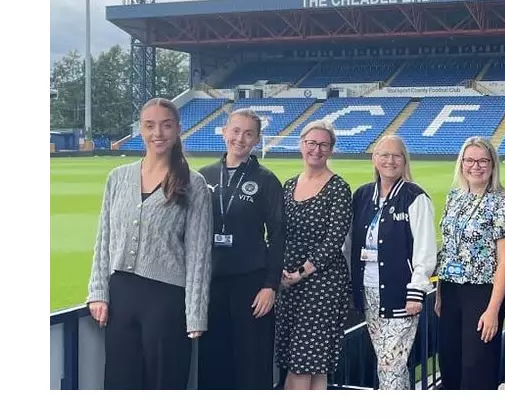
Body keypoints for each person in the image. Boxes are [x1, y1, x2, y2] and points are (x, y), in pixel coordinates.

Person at [86, 97, 213, 389]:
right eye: (150, 126)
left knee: (165, 382)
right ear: (141, 130)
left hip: (166, 300)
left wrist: (195, 315)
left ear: (178, 129)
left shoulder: (193, 185)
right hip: (121, 297)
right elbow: (104, 237)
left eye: (166, 126)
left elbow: (199, 255)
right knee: (120, 381)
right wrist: (98, 291)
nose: (158, 133)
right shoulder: (117, 178)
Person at [197, 108, 286, 390]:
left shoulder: (266, 179)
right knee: (213, 363)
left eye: (248, 133)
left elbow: (278, 236)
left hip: (251, 286)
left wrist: (270, 286)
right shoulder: (202, 176)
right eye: (235, 131)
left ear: (257, 140)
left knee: (252, 364)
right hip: (212, 285)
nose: (240, 138)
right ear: (224, 132)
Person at [344, 135, 437, 390]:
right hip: (369, 293)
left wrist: (416, 291)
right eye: (384, 155)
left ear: (404, 160)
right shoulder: (362, 195)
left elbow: (425, 250)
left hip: (400, 295)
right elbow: (349, 244)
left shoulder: (414, 196)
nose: (390, 160)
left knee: (391, 365)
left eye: (396, 155)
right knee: (386, 365)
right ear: (374, 159)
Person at [275, 119, 353, 390]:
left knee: (303, 364)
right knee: (313, 369)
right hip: (289, 286)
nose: (316, 150)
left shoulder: (338, 188)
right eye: (311, 143)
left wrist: (300, 273)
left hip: (323, 287)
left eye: (323, 144)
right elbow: (279, 233)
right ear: (301, 145)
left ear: (331, 149)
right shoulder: (287, 186)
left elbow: (334, 241)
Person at [434, 136, 505, 390]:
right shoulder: (454, 197)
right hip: (450, 290)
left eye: (482, 160)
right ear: (461, 163)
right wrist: (439, 294)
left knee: (476, 367)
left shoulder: (503, 201)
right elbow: (448, 248)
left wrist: (493, 309)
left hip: (482, 293)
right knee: (450, 363)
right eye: (469, 160)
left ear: (492, 164)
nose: (476, 166)